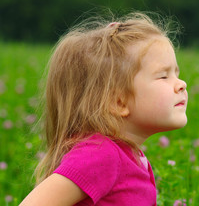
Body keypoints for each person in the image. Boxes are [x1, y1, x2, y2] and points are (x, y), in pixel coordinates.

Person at [20, 13, 188, 206]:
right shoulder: (100, 155)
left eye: (176, 73)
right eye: (163, 76)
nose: (181, 84)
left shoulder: (130, 156)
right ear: (118, 102)